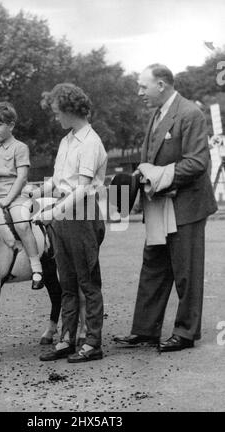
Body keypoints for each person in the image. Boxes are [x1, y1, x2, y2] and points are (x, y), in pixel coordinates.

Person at [113, 64, 217, 352]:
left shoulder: (190, 113)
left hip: (186, 204)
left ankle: (185, 333)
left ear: (161, 84)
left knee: (186, 270)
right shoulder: (157, 114)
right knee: (153, 266)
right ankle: (145, 330)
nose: (139, 92)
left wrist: (159, 176)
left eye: (142, 86)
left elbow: (197, 162)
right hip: (159, 203)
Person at [32, 83, 107, 363]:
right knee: (67, 282)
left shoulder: (90, 142)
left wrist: (53, 212)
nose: (55, 117)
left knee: (88, 282)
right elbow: (59, 182)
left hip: (81, 215)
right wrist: (39, 192)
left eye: (56, 112)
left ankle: (93, 343)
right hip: (63, 214)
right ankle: (67, 338)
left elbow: (82, 189)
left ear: (69, 109)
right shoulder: (67, 141)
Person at [0, 101, 44, 290]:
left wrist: (7, 200)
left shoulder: (20, 148)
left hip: (17, 197)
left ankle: (36, 268)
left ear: (11, 125)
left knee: (21, 224)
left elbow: (22, 178)